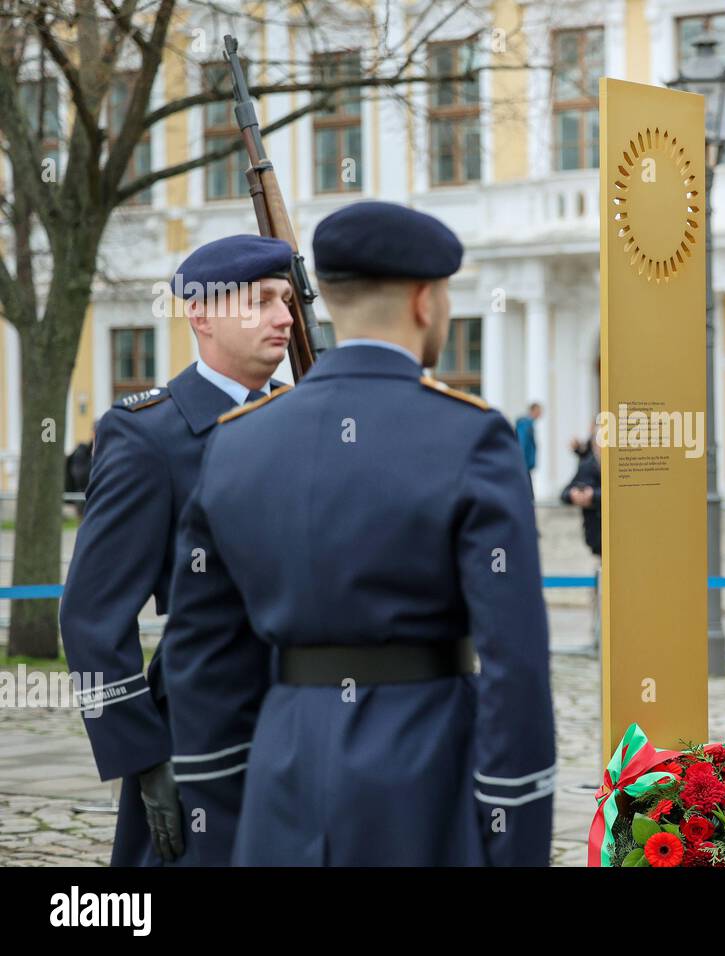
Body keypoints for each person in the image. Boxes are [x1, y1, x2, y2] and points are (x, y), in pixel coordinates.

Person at [161, 200, 555, 866]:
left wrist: (222, 815)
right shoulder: (470, 435)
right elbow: (515, 661)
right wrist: (514, 831)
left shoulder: (238, 440)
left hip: (281, 770)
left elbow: (200, 654)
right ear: (426, 301)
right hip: (423, 772)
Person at [59, 234, 294, 866]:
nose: (284, 317)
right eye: (262, 300)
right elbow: (91, 616)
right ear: (202, 315)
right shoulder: (148, 437)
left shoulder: (306, 421)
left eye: (288, 300)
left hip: (305, 724)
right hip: (200, 734)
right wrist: (143, 757)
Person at [561, 424, 601, 557]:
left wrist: (593, 495)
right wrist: (573, 495)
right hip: (595, 531)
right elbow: (565, 493)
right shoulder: (587, 465)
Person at [516, 402, 543, 495]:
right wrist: (521, 462)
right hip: (524, 464)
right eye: (539, 411)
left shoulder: (528, 424)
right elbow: (522, 443)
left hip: (525, 465)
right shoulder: (525, 424)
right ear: (533, 411)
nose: (540, 414)